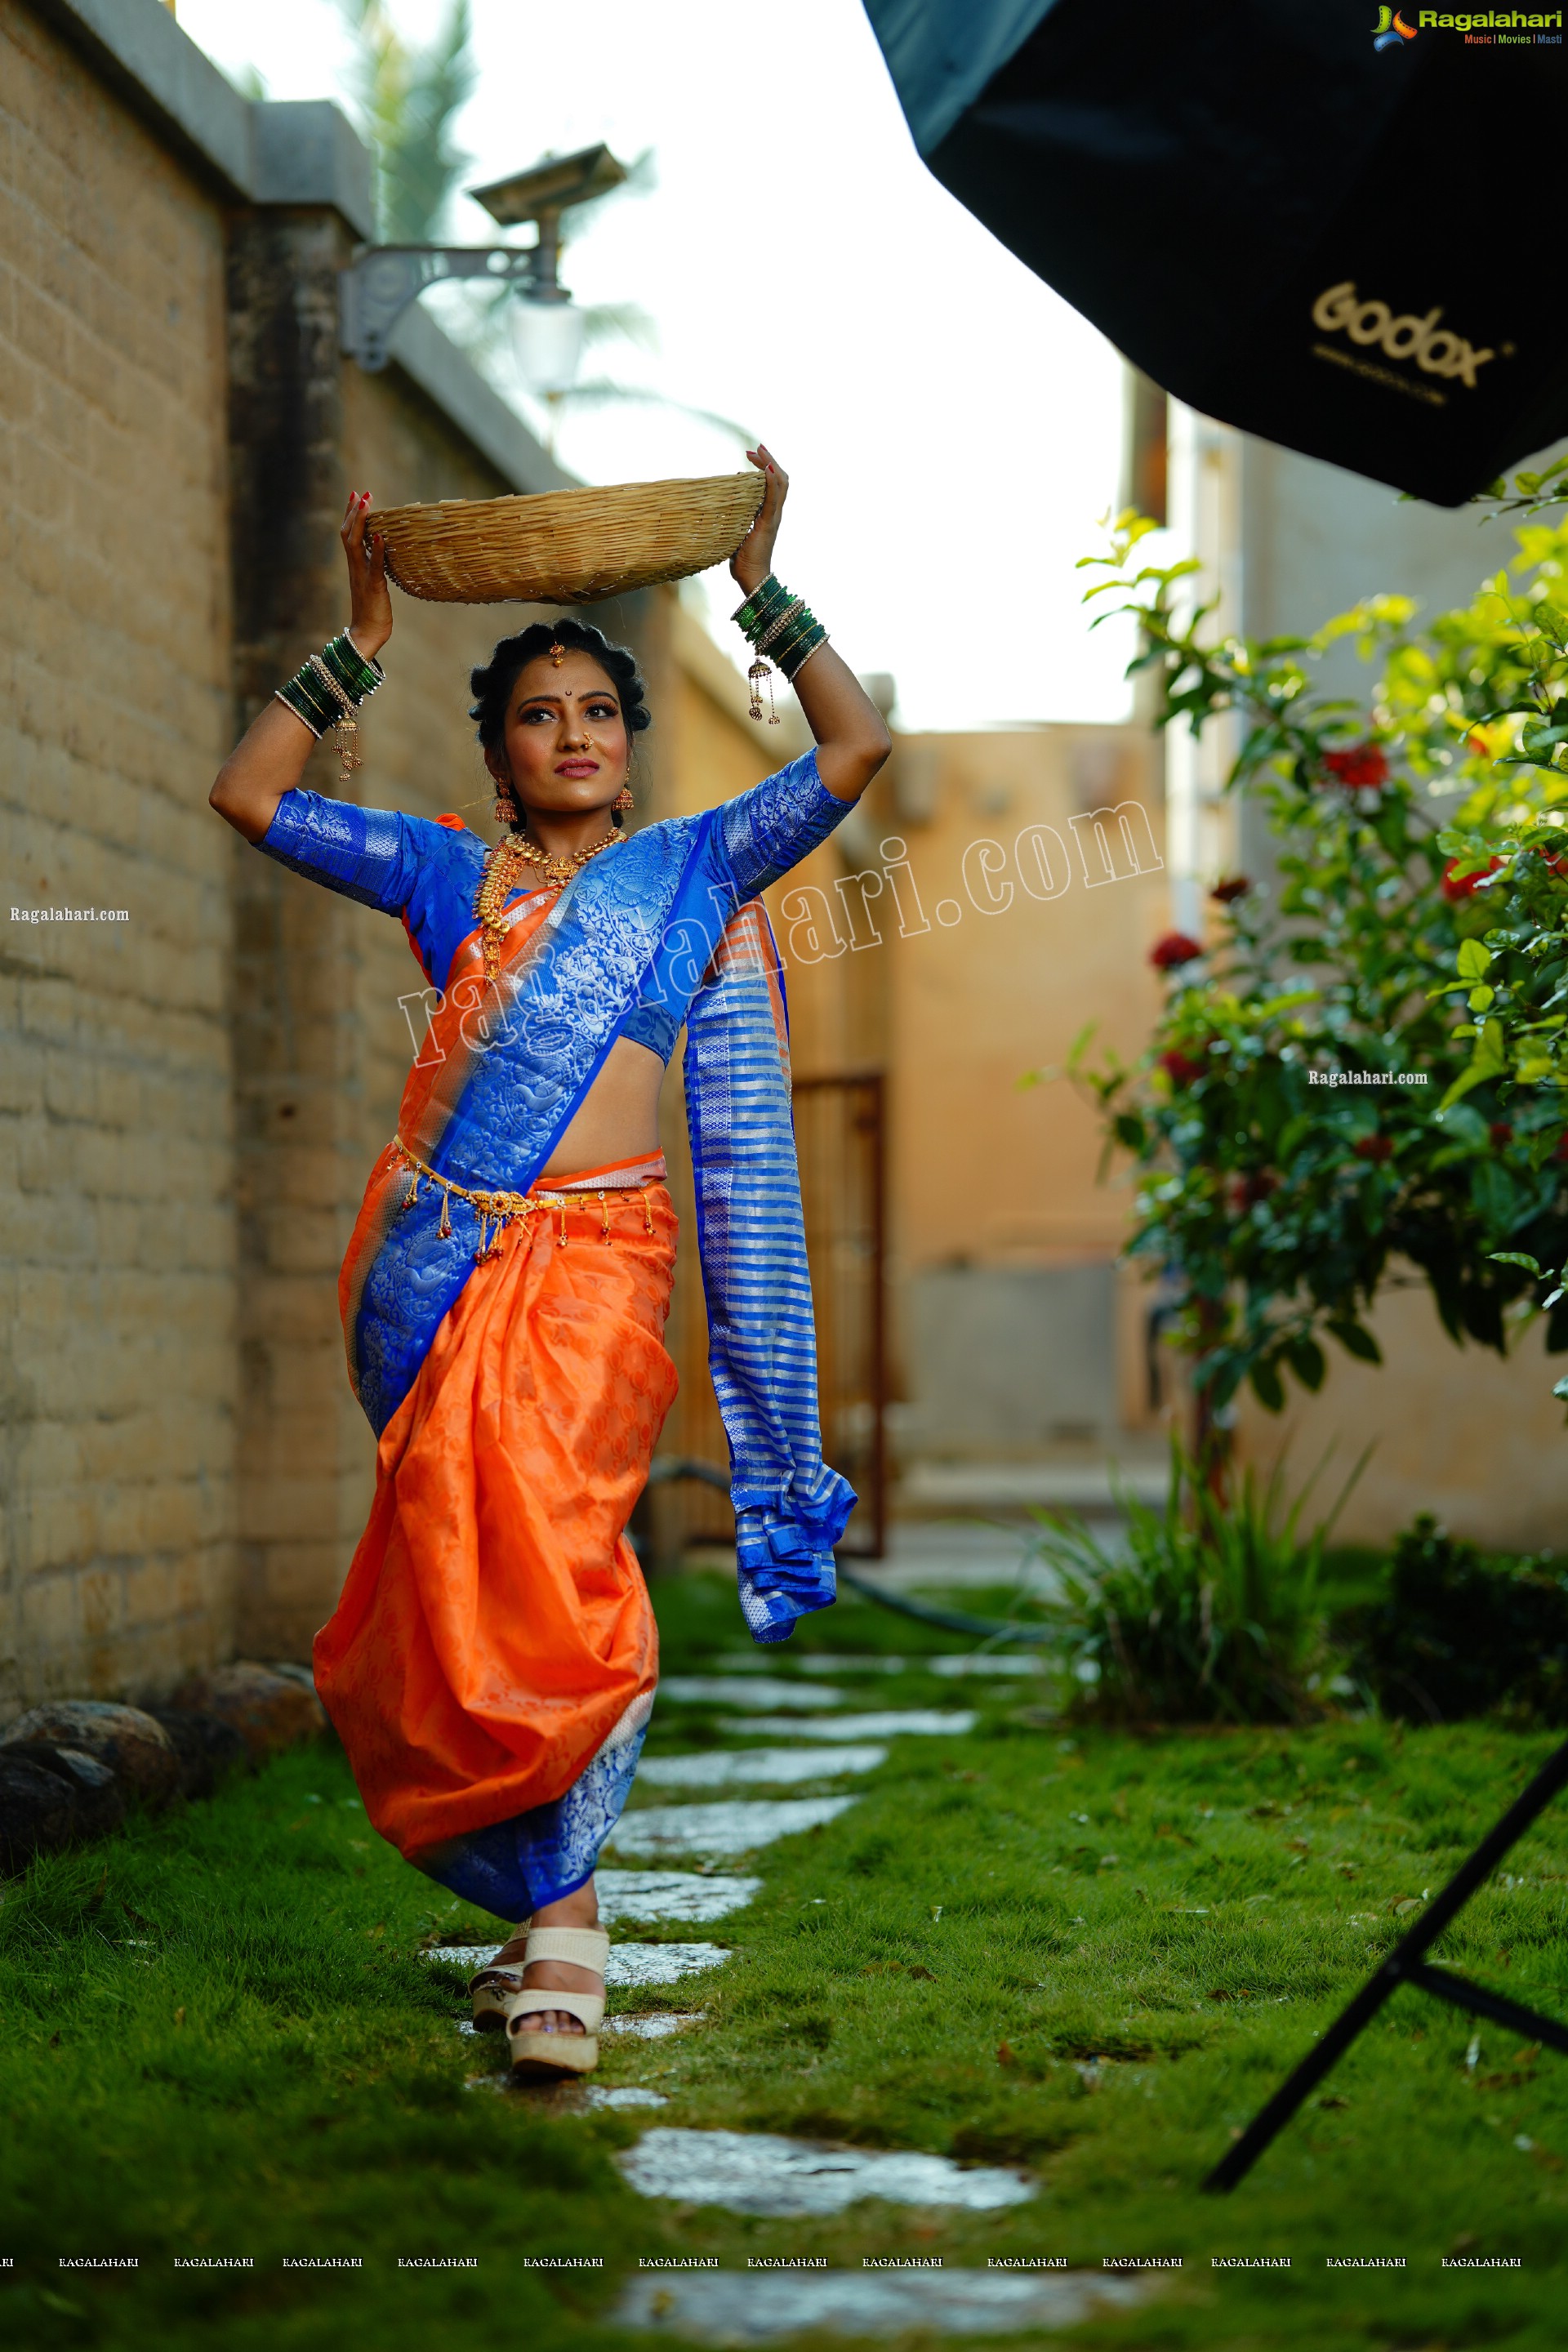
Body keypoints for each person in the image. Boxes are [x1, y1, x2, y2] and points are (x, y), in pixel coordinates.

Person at [208, 450, 890, 2080]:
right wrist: (356, 645)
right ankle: (543, 1910)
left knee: (564, 1567)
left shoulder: (698, 872)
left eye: (598, 708)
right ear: (504, 753)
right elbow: (249, 799)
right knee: (457, 1580)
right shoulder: (450, 874)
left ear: (631, 744)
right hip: (445, 1261)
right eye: (540, 713)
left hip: (602, 1266)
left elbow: (856, 747)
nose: (574, 730)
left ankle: (566, 1931)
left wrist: (759, 590)